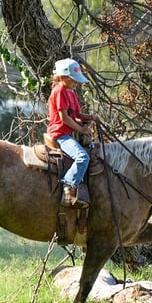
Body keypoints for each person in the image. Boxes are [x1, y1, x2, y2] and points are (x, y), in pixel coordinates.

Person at [47, 57, 97, 207]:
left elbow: (75, 115)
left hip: (69, 132)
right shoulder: (59, 91)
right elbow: (64, 118)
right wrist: (82, 129)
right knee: (82, 157)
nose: (76, 83)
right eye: (73, 80)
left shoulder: (70, 91)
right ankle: (68, 186)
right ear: (62, 78)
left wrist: (92, 117)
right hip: (60, 133)